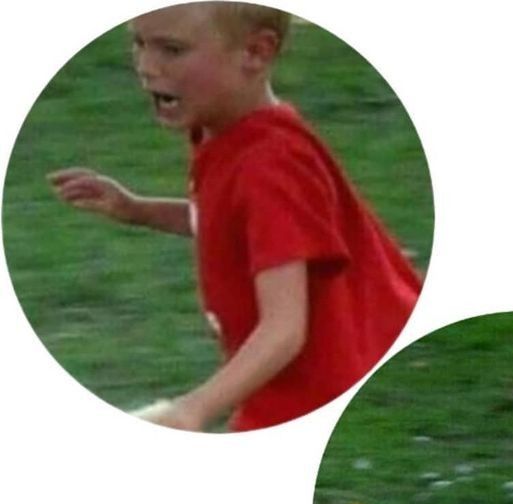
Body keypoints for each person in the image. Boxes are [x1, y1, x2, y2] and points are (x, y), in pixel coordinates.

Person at [48, 2, 422, 432]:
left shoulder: (269, 165)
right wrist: (136, 209)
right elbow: (233, 227)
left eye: (171, 49)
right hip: (293, 382)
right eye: (138, 43)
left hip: (313, 390)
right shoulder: (229, 134)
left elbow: (284, 329)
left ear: (256, 52)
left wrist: (193, 409)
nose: (147, 66)